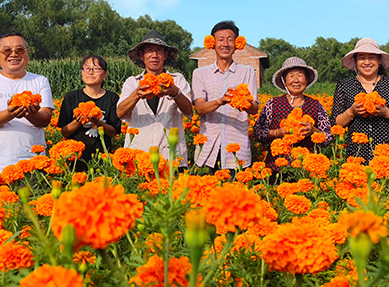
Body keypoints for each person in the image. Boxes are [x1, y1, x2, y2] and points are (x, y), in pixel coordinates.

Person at [0, 31, 54, 174]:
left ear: (27, 53)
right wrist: (10, 113)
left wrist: (28, 112)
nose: (13, 54)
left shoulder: (40, 81)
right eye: (7, 50)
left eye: (19, 50)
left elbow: (45, 119)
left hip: (33, 167)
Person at [116, 30, 192, 167]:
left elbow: (189, 111)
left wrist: (176, 93)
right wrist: (136, 95)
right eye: (149, 50)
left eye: (159, 51)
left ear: (165, 55)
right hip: (138, 158)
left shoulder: (177, 80)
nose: (154, 55)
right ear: (142, 55)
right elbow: (120, 113)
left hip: (171, 159)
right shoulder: (132, 82)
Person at [192, 21, 259, 174]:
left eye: (230, 40)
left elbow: (255, 109)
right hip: (208, 151)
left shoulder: (247, 72)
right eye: (221, 39)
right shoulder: (200, 74)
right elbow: (199, 108)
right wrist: (220, 101)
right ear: (212, 43)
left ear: (237, 44)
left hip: (238, 151)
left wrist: (243, 102)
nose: (225, 44)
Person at [331, 38, 389, 164]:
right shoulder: (345, 85)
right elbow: (335, 124)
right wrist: (351, 112)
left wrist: (387, 113)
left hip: (388, 155)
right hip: (357, 154)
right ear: (355, 61)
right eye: (362, 58)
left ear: (379, 61)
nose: (367, 62)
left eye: (372, 57)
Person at [254, 57, 332, 174]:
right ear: (284, 81)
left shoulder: (316, 105)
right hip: (276, 168)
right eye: (291, 76)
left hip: (307, 169)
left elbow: (329, 137)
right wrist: (277, 133)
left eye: (300, 75)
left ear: (306, 80)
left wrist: (313, 131)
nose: (296, 80)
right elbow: (257, 132)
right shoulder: (273, 103)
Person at [57, 55, 121, 171]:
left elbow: (113, 132)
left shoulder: (112, 98)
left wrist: (98, 122)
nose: (91, 72)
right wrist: (79, 121)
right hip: (75, 161)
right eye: (87, 68)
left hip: (102, 160)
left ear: (105, 74)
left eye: (96, 69)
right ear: (82, 72)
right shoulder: (71, 97)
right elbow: (65, 132)